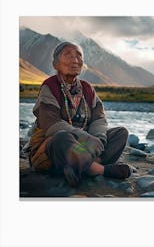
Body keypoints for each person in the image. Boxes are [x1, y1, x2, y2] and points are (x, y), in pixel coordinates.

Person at [29, 41, 131, 186]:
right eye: (68, 55)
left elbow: (99, 119)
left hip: (85, 147)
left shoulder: (87, 89)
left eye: (79, 56)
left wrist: (99, 139)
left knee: (120, 133)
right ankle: (99, 169)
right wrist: (86, 137)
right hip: (53, 151)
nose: (75, 60)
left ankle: (80, 165)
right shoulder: (49, 86)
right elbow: (51, 124)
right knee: (61, 137)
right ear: (55, 64)